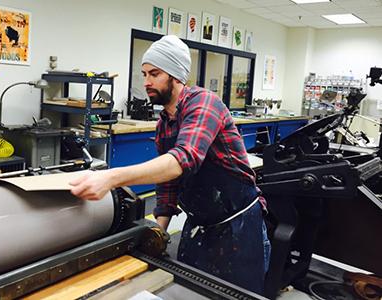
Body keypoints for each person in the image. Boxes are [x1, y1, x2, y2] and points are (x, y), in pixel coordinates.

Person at [70, 35, 270, 295]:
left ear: (176, 75)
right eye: (144, 74)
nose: (146, 82)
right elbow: (168, 182)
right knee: (190, 289)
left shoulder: (204, 103)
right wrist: (158, 234)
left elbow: (182, 158)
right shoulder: (165, 122)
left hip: (239, 227)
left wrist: (111, 178)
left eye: (154, 74)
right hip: (200, 223)